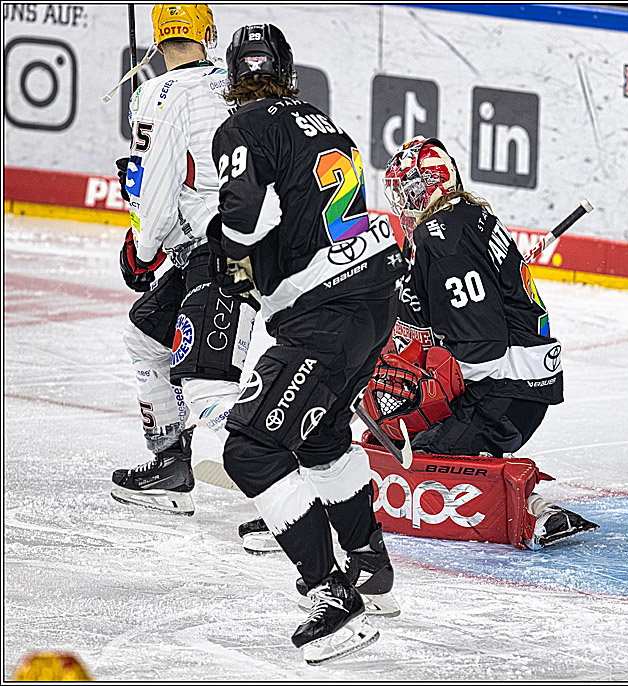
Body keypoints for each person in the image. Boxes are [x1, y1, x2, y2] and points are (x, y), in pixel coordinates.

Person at [209, 24, 405, 664]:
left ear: (234, 76)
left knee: (252, 447)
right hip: (369, 300)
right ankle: (372, 567)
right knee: (320, 439)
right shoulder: (323, 123)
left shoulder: (242, 127)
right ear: (288, 71)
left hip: (322, 311)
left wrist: (220, 244)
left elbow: (242, 222)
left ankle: (333, 591)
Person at [377, 136, 598, 548]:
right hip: (521, 385)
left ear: (434, 184)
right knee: (397, 436)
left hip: (504, 394)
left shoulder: (441, 239)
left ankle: (531, 509)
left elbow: (480, 349)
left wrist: (428, 389)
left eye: (412, 191)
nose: (405, 203)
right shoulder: (466, 216)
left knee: (407, 460)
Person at [110, 4, 259, 517]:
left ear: (159, 36)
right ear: (208, 33)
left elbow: (155, 184)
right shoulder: (235, 83)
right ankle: (171, 463)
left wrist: (143, 247)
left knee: (206, 382)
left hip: (217, 251)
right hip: (249, 246)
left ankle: (284, 493)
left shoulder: (154, 95)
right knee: (146, 333)